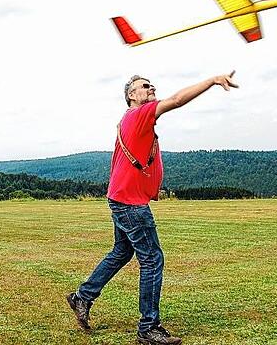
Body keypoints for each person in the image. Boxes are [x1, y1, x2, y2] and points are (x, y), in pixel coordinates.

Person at [67, 72, 238, 345]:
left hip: (121, 197)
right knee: (152, 260)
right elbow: (177, 100)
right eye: (144, 86)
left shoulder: (131, 120)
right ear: (131, 96)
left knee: (121, 252)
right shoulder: (139, 114)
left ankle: (82, 297)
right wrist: (212, 80)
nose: (150, 89)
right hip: (131, 202)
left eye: (151, 85)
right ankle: (149, 327)